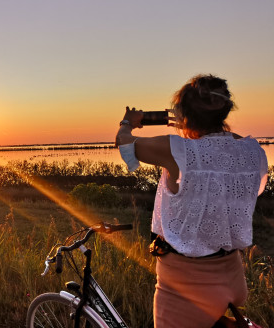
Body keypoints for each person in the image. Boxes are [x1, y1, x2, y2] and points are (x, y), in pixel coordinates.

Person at [115, 74, 269, 328]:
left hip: (186, 287)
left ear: (183, 115)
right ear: (224, 111)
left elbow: (124, 144)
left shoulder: (178, 150)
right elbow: (248, 183)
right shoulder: (253, 151)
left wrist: (128, 121)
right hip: (231, 274)